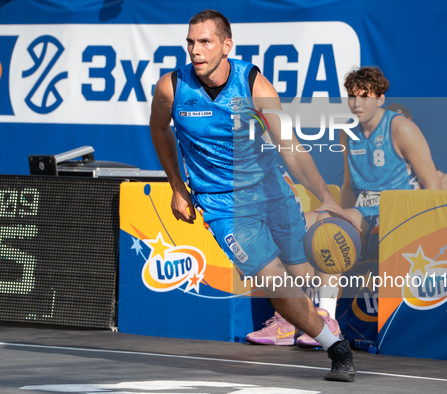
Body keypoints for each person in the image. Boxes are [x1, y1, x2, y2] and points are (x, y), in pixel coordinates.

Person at [149, 9, 358, 382]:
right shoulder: (171, 87)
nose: (195, 51)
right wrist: (178, 186)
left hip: (270, 189)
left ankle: (318, 253)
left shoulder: (254, 85)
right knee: (276, 282)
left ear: (226, 46)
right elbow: (159, 129)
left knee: (304, 269)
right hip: (221, 203)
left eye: (205, 42)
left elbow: (290, 147)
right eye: (191, 43)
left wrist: (324, 195)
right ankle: (336, 349)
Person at [250, 67, 445, 348]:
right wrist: (336, 212)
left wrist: (427, 230)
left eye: (364, 97)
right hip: (361, 211)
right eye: (352, 97)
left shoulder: (399, 126)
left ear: (380, 99)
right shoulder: (348, 132)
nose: (356, 104)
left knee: (333, 230)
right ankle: (289, 317)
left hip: (396, 213)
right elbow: (347, 185)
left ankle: (326, 317)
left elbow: (432, 184)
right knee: (295, 223)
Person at [385, 103, 447, 190]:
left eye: (404, 122)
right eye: (392, 123)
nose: (399, 128)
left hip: (414, 202)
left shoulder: (415, 156)